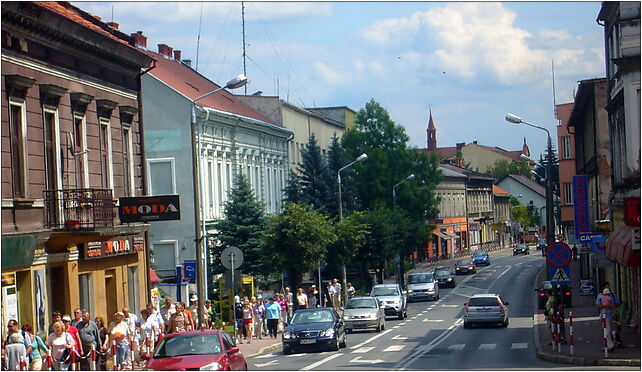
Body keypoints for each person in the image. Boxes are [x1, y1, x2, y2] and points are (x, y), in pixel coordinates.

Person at [596, 287, 621, 351]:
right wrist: (607, 306)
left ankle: (606, 345)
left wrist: (613, 307)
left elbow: (618, 303)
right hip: (605, 316)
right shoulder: (600, 296)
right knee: (607, 331)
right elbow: (598, 305)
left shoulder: (612, 295)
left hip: (612, 315)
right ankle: (610, 345)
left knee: (612, 331)